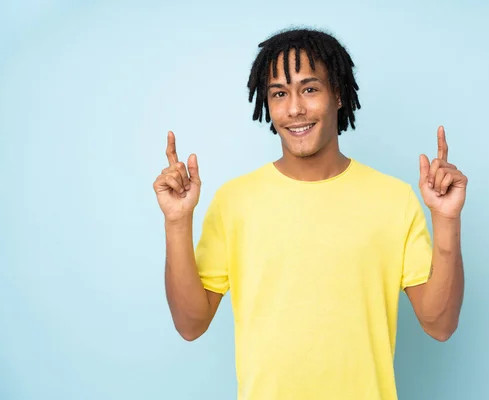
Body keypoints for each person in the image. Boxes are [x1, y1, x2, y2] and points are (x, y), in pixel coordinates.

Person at [153, 27, 467, 400]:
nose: (295, 108)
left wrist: (446, 220)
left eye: (310, 89)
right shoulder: (234, 201)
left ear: (337, 94)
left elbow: (440, 324)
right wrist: (176, 222)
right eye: (280, 94)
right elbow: (191, 325)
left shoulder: (393, 199)